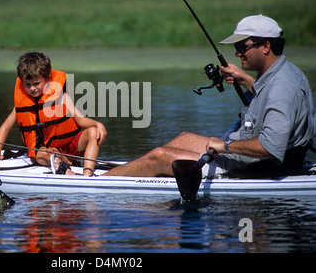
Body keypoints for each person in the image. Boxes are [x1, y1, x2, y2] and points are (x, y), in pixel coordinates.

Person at [103, 15, 316, 177]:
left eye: (243, 47)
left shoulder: (282, 89)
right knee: (184, 138)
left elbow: (271, 147)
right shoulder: (282, 72)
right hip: (250, 155)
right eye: (236, 47)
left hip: (259, 166)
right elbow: (267, 97)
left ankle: (100, 183)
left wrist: (224, 147)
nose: (237, 53)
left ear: (266, 46)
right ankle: (125, 173)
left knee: (159, 156)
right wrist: (245, 79)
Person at [0, 51, 107, 176]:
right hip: (48, 151)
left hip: (71, 147)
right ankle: (66, 170)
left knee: (93, 132)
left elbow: (81, 120)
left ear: (47, 79)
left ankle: (87, 174)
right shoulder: (21, 105)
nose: (32, 88)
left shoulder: (62, 97)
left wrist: (98, 124)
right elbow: (5, 127)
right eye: (27, 85)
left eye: (36, 83)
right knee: (40, 155)